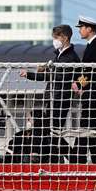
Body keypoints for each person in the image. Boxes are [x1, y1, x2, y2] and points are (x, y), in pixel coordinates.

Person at [20, 26, 79, 160]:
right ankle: (70, 158)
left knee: (50, 130)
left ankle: (72, 158)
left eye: (56, 37)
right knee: (51, 131)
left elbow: (55, 76)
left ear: (65, 38)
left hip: (60, 99)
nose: (54, 40)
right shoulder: (60, 55)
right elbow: (53, 73)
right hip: (53, 98)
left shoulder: (69, 57)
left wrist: (30, 74)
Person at [72, 15, 96, 164]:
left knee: (90, 125)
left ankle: (80, 158)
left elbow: (93, 71)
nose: (80, 31)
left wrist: (79, 83)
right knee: (93, 127)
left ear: (89, 29)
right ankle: (95, 159)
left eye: (81, 28)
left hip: (94, 93)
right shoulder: (93, 45)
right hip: (91, 93)